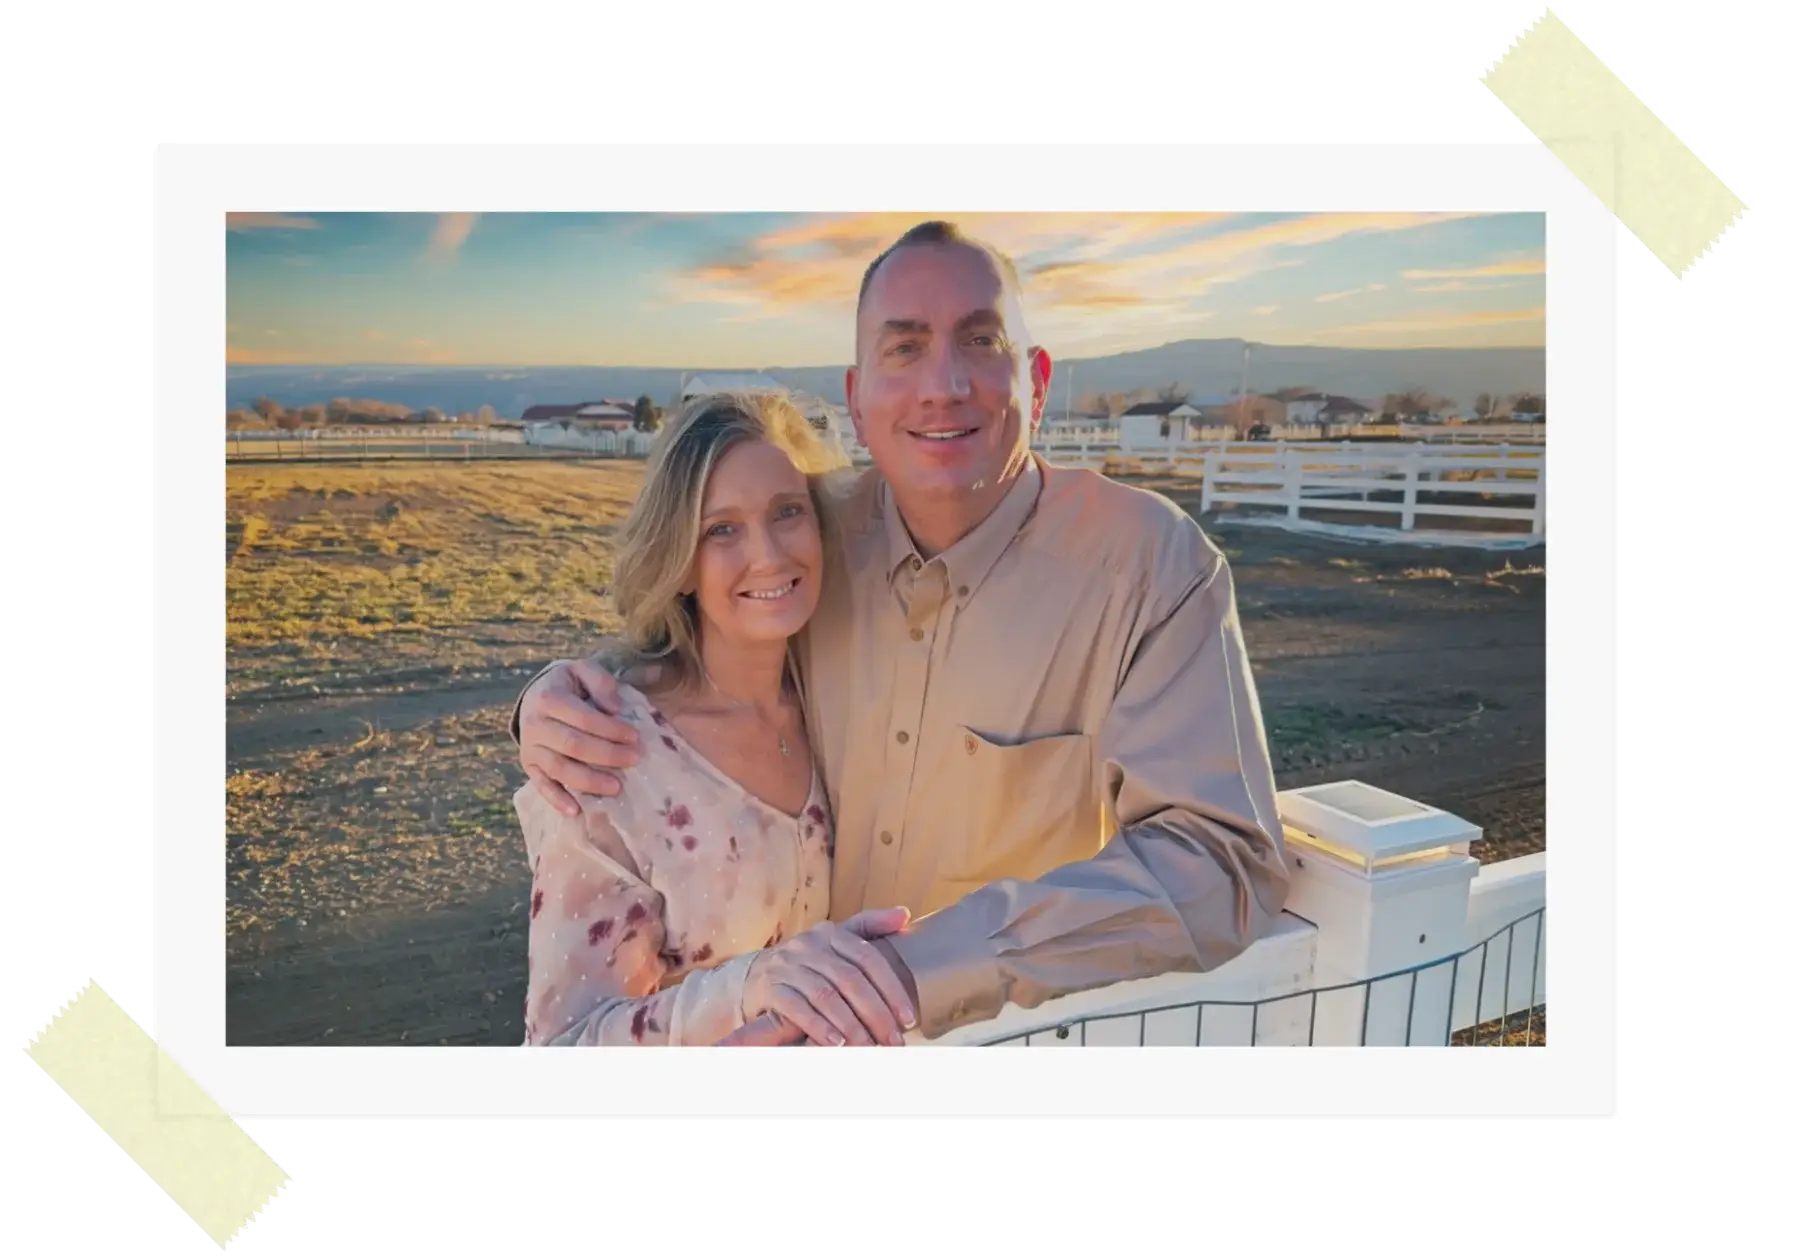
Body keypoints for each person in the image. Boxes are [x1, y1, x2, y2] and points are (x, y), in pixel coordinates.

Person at [516, 220, 1292, 1046]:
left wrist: (927, 968)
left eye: (980, 340)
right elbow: (702, 601)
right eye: (905, 348)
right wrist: (551, 700)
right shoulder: (814, 533)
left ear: (1035, 376)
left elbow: (1223, 861)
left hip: (1009, 1044)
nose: (944, 385)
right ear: (856, 396)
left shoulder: (1146, 566)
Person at [516, 389, 916, 1046]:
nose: (768, 555)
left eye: (788, 512)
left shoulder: (842, 701)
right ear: (678, 560)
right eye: (721, 529)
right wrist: (746, 988)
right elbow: (564, 1047)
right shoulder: (610, 757)